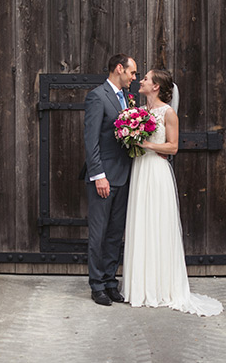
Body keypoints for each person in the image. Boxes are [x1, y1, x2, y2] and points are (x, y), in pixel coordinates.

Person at [121, 69, 223, 317]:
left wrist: (145, 144)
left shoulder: (168, 112)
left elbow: (173, 147)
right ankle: (140, 287)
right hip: (140, 170)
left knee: (157, 225)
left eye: (145, 79)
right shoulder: (139, 112)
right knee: (141, 224)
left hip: (156, 171)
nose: (141, 81)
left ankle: (162, 287)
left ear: (155, 86)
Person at [83, 54, 138, 306]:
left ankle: (110, 282)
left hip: (124, 176)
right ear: (119, 69)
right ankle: (96, 286)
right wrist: (99, 176)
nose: (134, 78)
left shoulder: (126, 98)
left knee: (116, 234)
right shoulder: (97, 96)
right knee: (99, 234)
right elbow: (91, 141)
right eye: (132, 73)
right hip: (103, 178)